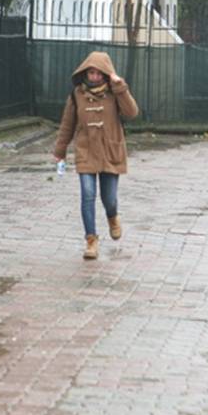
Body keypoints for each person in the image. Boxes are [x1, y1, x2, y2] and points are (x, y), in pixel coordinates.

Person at [53, 52, 139, 261]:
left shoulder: (114, 93)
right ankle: (91, 240)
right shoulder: (76, 95)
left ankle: (113, 217)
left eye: (98, 73)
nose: (93, 77)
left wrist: (120, 87)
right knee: (87, 195)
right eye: (90, 73)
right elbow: (67, 125)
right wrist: (60, 151)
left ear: (106, 74)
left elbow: (132, 112)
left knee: (109, 198)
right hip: (86, 151)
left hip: (110, 151)